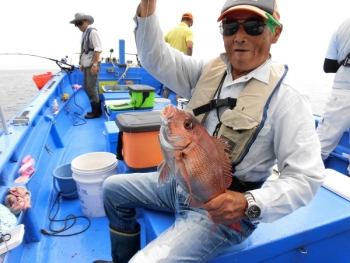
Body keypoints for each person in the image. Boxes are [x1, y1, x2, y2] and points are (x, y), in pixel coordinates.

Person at [93, 0, 326, 262]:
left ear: (276, 32)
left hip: (222, 209)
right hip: (180, 184)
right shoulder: (208, 70)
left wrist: (246, 203)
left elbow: (305, 178)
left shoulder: (289, 99)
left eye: (253, 26)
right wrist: (148, 6)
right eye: (229, 27)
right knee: (111, 188)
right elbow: (154, 58)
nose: (239, 36)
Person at [316, 17, 350, 160]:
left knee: (319, 148)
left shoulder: (344, 25)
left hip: (343, 93)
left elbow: (328, 66)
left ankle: (299, 178)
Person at [70, 13, 103, 119]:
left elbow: (98, 49)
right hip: (86, 65)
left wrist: (95, 64)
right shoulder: (84, 35)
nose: (78, 26)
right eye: (76, 24)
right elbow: (84, 52)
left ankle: (96, 112)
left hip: (92, 65)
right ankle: (95, 109)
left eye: (80, 23)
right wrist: (81, 64)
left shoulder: (93, 32)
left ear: (87, 22)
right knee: (86, 86)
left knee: (91, 87)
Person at [163, 12, 194, 104]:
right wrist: (189, 59)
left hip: (169, 62)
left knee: (167, 87)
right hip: (181, 63)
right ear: (191, 22)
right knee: (180, 88)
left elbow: (161, 42)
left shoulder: (172, 30)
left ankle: (163, 106)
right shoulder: (188, 31)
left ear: (182, 20)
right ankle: (178, 109)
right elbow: (189, 46)